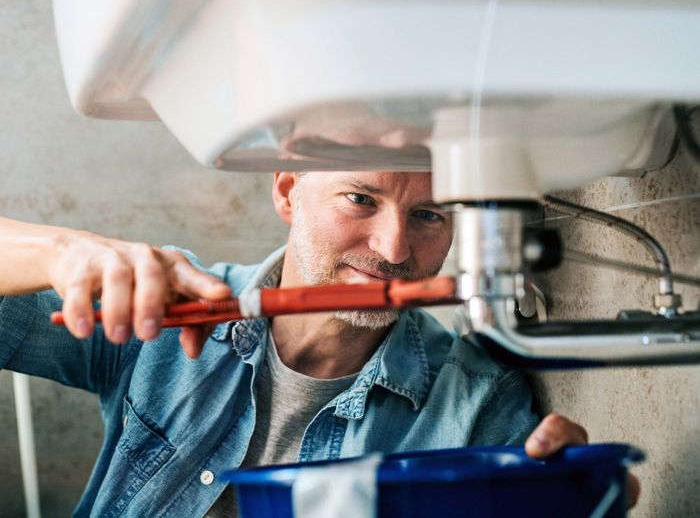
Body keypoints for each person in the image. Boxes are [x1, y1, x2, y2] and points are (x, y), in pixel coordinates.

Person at [0, 171, 638, 516]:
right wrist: (59, 251)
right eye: (361, 199)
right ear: (286, 189)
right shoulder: (171, 309)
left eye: (429, 215)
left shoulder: (476, 406)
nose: (393, 250)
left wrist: (578, 495)